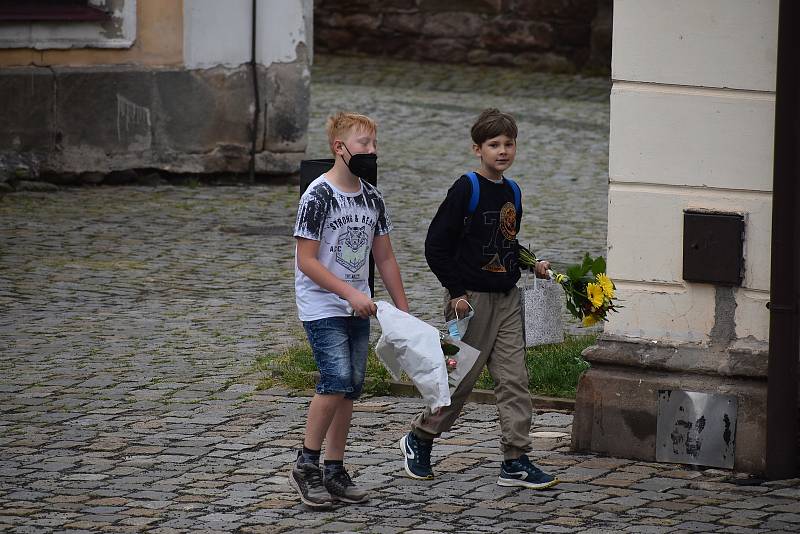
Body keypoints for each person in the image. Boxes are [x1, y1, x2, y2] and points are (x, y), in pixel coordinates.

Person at [399, 108, 559, 490]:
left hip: (507, 299)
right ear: (477, 148)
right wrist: (455, 292)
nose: (502, 151)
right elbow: (436, 245)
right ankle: (419, 438)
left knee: (514, 381)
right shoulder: (466, 188)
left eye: (508, 144)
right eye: (494, 145)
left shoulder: (513, 191)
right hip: (469, 302)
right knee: (460, 381)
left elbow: (505, 242)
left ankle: (516, 459)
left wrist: (531, 263)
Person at [291, 112, 409, 509]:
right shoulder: (318, 196)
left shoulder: (372, 197)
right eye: (364, 145)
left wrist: (403, 313)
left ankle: (335, 469)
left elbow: (386, 257)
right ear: (339, 148)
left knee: (351, 387)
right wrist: (348, 294)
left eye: (374, 145)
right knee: (336, 378)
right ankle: (306, 465)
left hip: (359, 306)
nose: (372, 152)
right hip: (322, 304)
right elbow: (307, 260)